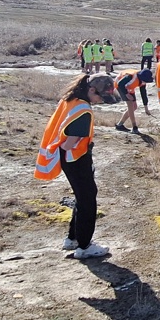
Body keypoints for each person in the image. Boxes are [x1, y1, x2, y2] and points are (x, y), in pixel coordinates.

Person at [33, 74, 115, 259]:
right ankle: (84, 247)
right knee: (88, 200)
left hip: (68, 159)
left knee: (81, 197)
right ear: (92, 90)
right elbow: (69, 143)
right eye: (100, 97)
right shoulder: (84, 111)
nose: (100, 101)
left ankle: (73, 238)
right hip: (76, 159)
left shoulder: (71, 100)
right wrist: (83, 146)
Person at [114, 68, 153, 133]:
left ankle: (119, 125)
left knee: (134, 107)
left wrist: (146, 108)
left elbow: (143, 94)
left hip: (129, 87)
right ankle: (134, 127)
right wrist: (126, 94)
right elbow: (120, 84)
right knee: (131, 106)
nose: (145, 82)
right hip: (120, 85)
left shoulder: (142, 81)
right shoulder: (131, 77)